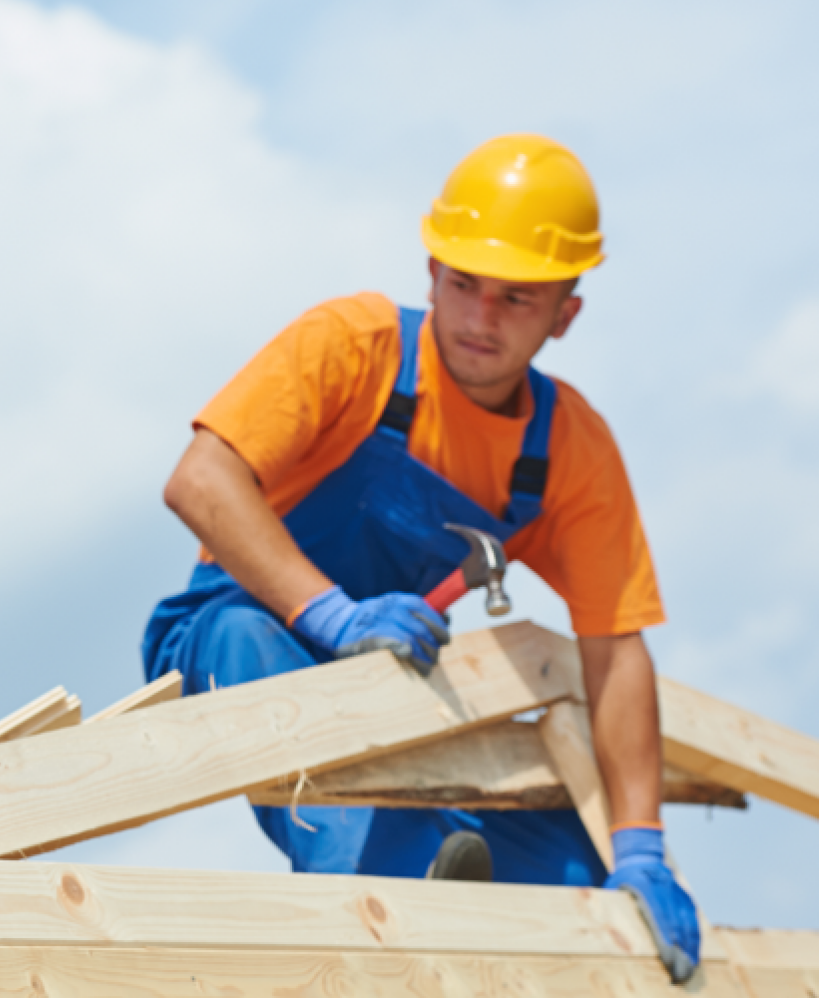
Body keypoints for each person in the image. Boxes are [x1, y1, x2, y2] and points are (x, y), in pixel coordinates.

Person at [140, 134, 699, 982]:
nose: (480, 318)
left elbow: (616, 649)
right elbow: (200, 480)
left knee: (579, 878)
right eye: (463, 283)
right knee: (248, 643)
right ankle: (405, 907)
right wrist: (332, 614)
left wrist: (641, 844)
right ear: (431, 269)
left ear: (565, 313)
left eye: (517, 297)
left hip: (404, 682)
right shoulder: (354, 345)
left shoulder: (568, 449)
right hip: (237, 632)